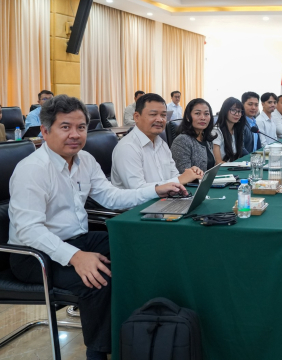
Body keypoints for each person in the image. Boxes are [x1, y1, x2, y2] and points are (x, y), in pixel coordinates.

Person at [7, 95, 184, 360]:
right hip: (34, 255)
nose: (75, 134)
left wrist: (156, 189)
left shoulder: (85, 160)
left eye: (81, 127)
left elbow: (111, 197)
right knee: (98, 280)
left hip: (77, 239)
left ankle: (144, 330)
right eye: (65, 127)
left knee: (137, 248)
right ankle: (98, 354)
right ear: (45, 131)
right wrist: (76, 257)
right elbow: (29, 230)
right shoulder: (32, 170)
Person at [111, 93, 203, 189]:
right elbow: (138, 190)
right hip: (142, 199)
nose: (160, 119)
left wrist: (191, 175)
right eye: (153, 114)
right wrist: (180, 180)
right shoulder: (127, 147)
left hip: (167, 197)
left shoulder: (162, 143)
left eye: (163, 115)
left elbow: (174, 176)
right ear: (136, 117)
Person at [170, 98, 217, 173]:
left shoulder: (206, 138)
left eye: (206, 114)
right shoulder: (182, 141)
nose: (203, 118)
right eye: (197, 113)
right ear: (188, 117)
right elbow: (183, 173)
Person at [213, 97, 251, 162]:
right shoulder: (216, 131)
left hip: (233, 166)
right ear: (225, 111)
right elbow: (218, 162)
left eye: (239, 111)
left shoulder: (236, 130)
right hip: (222, 168)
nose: (237, 114)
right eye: (233, 110)